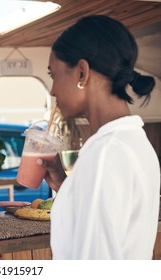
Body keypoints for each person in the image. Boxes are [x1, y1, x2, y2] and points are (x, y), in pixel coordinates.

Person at [41, 15, 160, 259]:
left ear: (82, 73)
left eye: (53, 75)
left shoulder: (106, 153)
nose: (52, 90)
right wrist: (65, 185)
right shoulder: (133, 142)